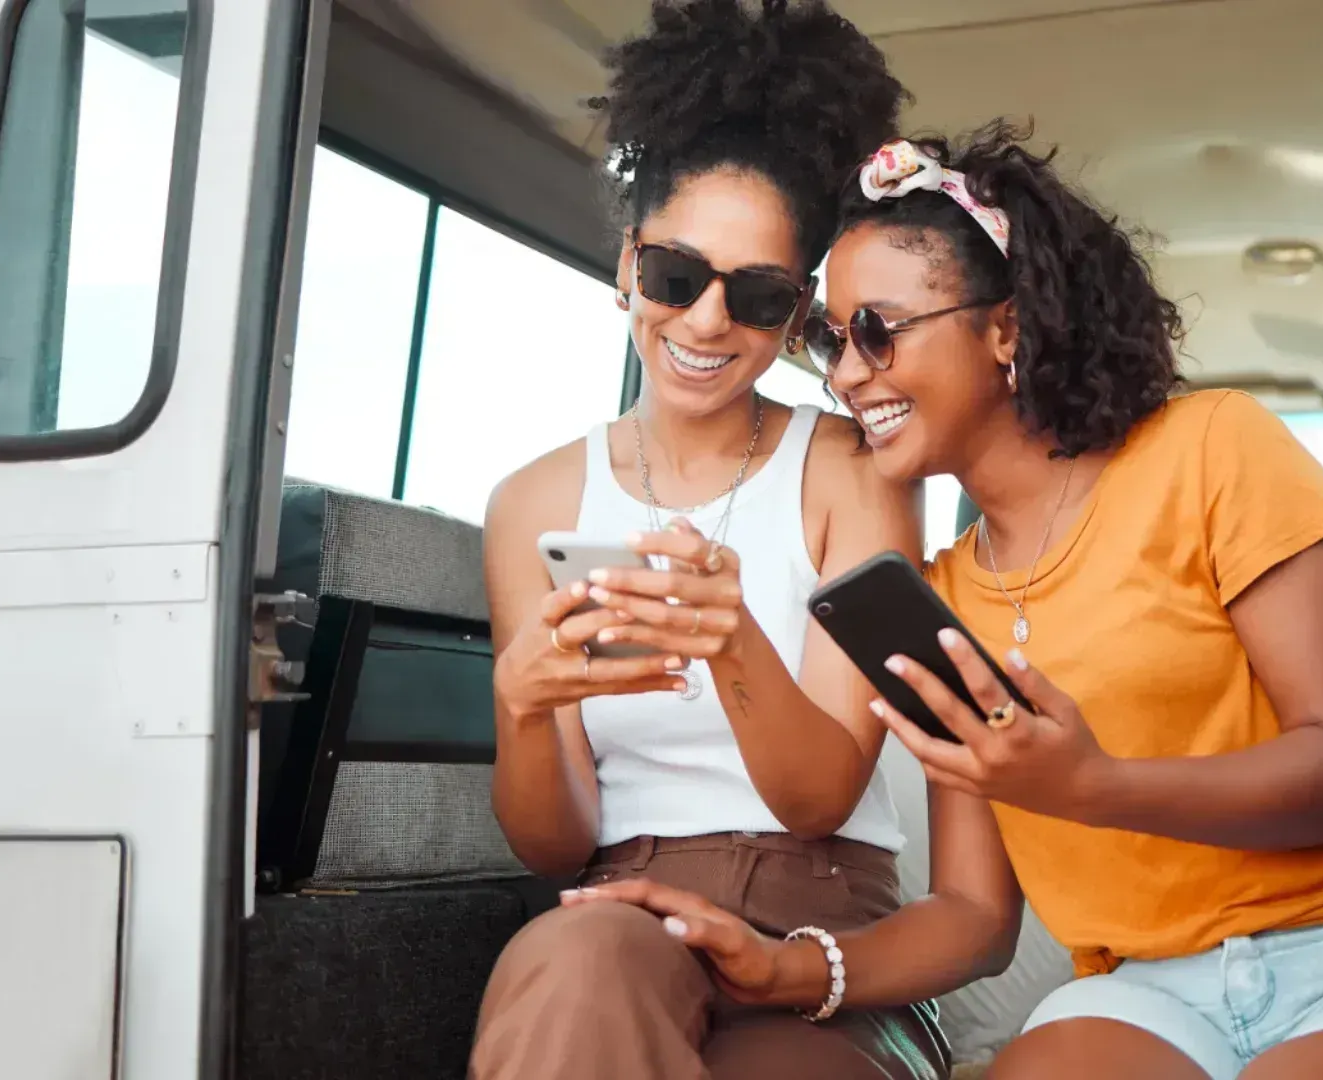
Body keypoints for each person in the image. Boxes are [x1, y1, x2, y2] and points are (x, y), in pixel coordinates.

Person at [568, 122, 1323, 1080]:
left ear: (1005, 326)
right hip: (1139, 987)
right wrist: (784, 966)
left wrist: (1093, 787)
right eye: (828, 341)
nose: (846, 375)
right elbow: (972, 918)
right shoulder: (937, 597)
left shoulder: (1215, 446)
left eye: (877, 332)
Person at [467, 4, 948, 1078]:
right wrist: (523, 704)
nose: (704, 324)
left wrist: (732, 644)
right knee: (576, 964)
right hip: (620, 909)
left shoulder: (849, 474)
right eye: (677, 276)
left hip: (825, 919)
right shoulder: (528, 503)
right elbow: (551, 844)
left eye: (760, 295)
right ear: (628, 264)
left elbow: (821, 796)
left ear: (795, 315)